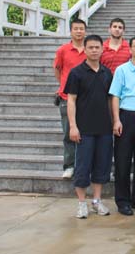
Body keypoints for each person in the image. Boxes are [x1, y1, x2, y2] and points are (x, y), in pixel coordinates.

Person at [65, 35, 113, 219]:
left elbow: (110, 99)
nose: (94, 50)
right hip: (83, 128)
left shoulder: (107, 73)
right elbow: (71, 100)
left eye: (97, 47)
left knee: (101, 166)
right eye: (90, 47)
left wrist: (114, 121)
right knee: (83, 166)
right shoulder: (76, 73)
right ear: (84, 49)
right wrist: (73, 126)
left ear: (102, 49)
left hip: (104, 128)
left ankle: (97, 200)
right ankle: (81, 203)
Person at [109, 36, 135, 216]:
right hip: (126, 116)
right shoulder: (122, 70)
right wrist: (116, 120)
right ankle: (122, 201)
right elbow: (115, 96)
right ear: (130, 49)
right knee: (122, 161)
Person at [53, 18, 86, 179]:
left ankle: (83, 165)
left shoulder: (90, 49)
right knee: (68, 133)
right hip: (67, 97)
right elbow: (57, 69)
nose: (79, 31)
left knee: (85, 134)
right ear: (71, 31)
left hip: (86, 98)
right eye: (76, 29)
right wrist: (64, 86)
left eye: (81, 29)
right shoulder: (63, 50)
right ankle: (69, 165)